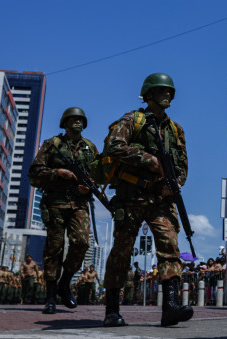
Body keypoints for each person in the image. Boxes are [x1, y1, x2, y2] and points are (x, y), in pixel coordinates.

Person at [101, 73, 192, 327]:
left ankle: (170, 307)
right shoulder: (134, 120)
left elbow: (182, 165)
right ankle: (111, 309)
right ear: (149, 94)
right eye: (161, 90)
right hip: (132, 196)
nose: (167, 94)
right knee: (122, 251)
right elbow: (114, 146)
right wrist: (148, 160)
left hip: (161, 198)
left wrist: (176, 183)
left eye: (170, 91)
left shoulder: (176, 130)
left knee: (170, 247)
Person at [29, 106, 98, 314]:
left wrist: (90, 185)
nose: (78, 122)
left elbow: (98, 174)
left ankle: (64, 283)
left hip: (79, 204)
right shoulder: (52, 145)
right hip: (55, 204)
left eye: (81, 120)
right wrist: (58, 173)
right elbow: (34, 173)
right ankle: (50, 296)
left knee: (82, 242)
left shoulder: (90, 148)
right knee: (54, 250)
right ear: (65, 123)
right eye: (73, 119)